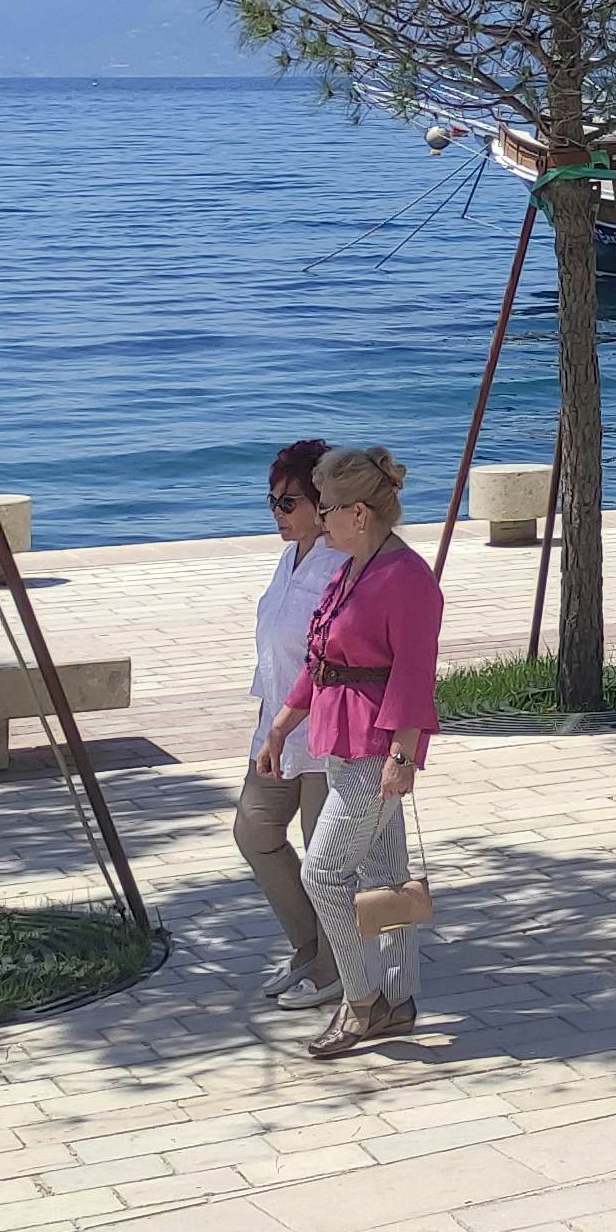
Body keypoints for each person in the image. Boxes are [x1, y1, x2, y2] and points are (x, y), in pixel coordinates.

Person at [260, 444, 440, 1060]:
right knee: (385, 875)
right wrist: (281, 726)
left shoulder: (407, 578)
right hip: (338, 739)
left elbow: (414, 675)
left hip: (376, 749)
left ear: (359, 512)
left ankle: (359, 1002)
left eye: (328, 508)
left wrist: (403, 756)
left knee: (322, 872)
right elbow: (321, 661)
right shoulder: (352, 566)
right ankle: (398, 998)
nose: (320, 519)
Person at [236, 437, 343, 1014]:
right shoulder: (289, 558)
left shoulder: (340, 565)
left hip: (324, 735)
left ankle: (334, 967)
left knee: (324, 857)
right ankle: (310, 946)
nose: (277, 513)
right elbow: (274, 655)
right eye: (271, 501)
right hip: (276, 731)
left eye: (288, 502)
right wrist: (265, 727)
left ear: (321, 503)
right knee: (254, 832)